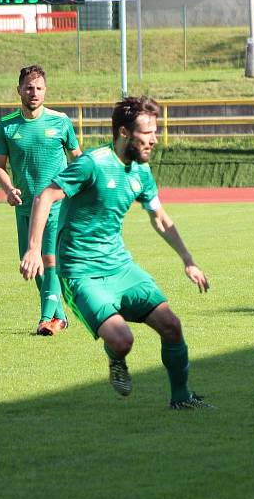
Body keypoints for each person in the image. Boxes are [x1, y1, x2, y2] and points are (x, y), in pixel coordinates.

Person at [19, 96, 214, 410]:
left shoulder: (140, 172)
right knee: (123, 340)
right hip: (80, 271)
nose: (154, 138)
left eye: (155, 131)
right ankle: (116, 358)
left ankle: (182, 398)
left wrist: (188, 260)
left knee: (172, 326)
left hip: (120, 266)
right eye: (147, 132)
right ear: (124, 133)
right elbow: (45, 197)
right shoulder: (92, 163)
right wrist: (33, 249)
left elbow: (160, 218)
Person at [0, 65, 82, 336]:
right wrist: (9, 189)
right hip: (24, 208)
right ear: (18, 89)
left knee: (49, 259)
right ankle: (60, 317)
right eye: (29, 87)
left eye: (39, 88)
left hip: (56, 205)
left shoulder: (60, 121)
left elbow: (78, 157)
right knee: (31, 263)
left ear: (46, 91)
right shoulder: (6, 126)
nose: (34, 92)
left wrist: (84, 185)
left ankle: (45, 319)